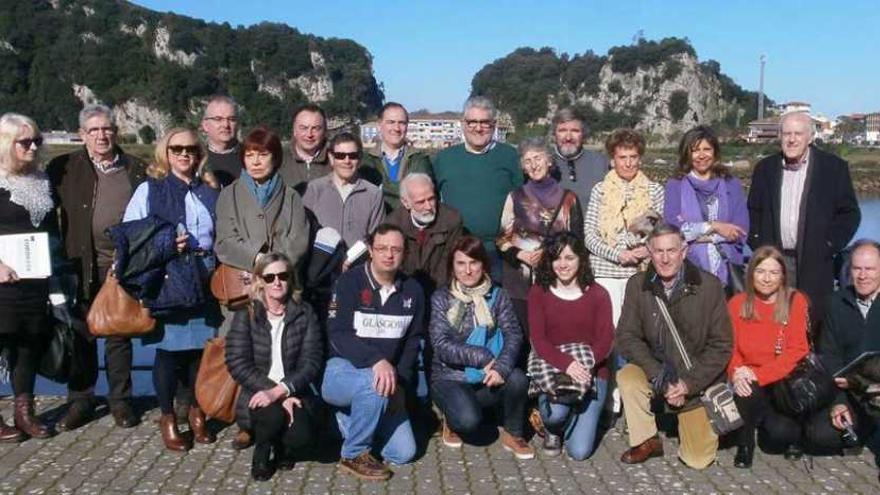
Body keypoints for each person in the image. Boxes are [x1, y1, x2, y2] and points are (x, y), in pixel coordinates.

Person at [47, 104, 147, 431]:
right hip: (79, 264)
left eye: (107, 129)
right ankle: (81, 401)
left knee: (119, 336)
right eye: (94, 130)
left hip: (120, 266)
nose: (102, 135)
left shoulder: (136, 168)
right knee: (81, 335)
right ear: (82, 135)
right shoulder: (63, 168)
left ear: (116, 133)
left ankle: (121, 402)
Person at [122, 127, 220, 451]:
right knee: (167, 352)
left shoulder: (209, 190)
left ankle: (196, 412)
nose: (184, 155)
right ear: (165, 152)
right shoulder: (149, 190)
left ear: (199, 154)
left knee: (198, 352)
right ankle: (167, 418)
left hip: (205, 275)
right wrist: (165, 244)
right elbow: (129, 236)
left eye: (190, 149)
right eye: (176, 149)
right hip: (169, 276)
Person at [214, 126, 310, 450]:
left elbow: (299, 240)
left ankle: (284, 410)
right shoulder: (229, 195)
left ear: (275, 158)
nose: (256, 161)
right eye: (250, 155)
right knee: (244, 354)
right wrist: (258, 258)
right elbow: (224, 242)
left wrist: (276, 265)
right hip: (244, 289)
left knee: (283, 351)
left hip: (282, 286)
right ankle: (245, 421)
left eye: (263, 154)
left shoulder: (293, 197)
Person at [615, 223, 733, 470]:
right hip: (658, 372)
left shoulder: (709, 286)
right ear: (649, 251)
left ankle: (688, 421)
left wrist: (687, 384)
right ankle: (646, 440)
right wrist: (661, 377)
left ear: (684, 251)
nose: (665, 258)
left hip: (696, 381)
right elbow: (627, 337)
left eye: (671, 250)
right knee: (627, 376)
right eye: (658, 251)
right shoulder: (638, 285)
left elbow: (721, 346)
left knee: (698, 460)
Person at [321, 224, 423, 481]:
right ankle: (354, 453)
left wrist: (400, 382)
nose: (389, 255)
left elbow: (412, 342)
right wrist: (376, 361)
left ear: (404, 253)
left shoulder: (413, 291)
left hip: (386, 378)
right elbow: (338, 333)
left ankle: (349, 420)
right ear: (370, 250)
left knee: (404, 452)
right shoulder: (349, 282)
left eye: (396, 249)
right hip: (342, 372)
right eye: (382, 248)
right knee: (373, 383)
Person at [748, 111, 860, 325]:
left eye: (798, 134)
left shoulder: (833, 168)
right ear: (779, 136)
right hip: (776, 260)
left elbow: (850, 213)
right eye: (787, 133)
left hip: (816, 260)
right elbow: (753, 210)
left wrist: (829, 244)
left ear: (810, 137)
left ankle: (811, 358)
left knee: (813, 319)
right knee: (775, 319)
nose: (792, 139)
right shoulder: (765, 168)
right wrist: (759, 245)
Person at [429, 235, 533, 459]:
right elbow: (441, 344)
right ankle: (451, 417)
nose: (467, 270)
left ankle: (513, 433)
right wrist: (483, 358)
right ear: (452, 266)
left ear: (483, 265)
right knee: (468, 421)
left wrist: (501, 368)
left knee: (517, 380)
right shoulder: (441, 298)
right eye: (461, 263)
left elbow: (513, 333)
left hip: (489, 373)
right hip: (451, 376)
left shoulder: (497, 295)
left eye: (473, 263)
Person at [226, 253, 323, 481]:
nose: (277, 282)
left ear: (291, 279)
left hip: (293, 390)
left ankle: (284, 449)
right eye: (269, 277)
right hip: (258, 390)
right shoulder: (246, 314)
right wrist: (274, 393)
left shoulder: (305, 313)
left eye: (282, 275)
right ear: (260, 280)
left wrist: (283, 390)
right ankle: (262, 452)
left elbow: (312, 361)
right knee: (272, 416)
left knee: (302, 435)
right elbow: (237, 362)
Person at [0, 113, 60, 440]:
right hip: (2, 280)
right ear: (8, 143)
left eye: (37, 140)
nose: (34, 146)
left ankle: (25, 414)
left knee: (28, 345)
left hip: (34, 277)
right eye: (26, 142)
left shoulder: (41, 179)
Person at [527, 232, 613, 460]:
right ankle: (552, 427)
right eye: (556, 258)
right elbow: (539, 340)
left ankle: (575, 412)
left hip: (592, 371)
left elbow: (605, 341)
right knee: (555, 415)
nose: (562, 264)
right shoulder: (539, 292)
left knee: (579, 451)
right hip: (554, 367)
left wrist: (583, 367)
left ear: (581, 259)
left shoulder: (599, 294)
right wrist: (567, 365)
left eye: (569, 258)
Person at [727, 246, 809, 468]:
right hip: (750, 379)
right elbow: (730, 348)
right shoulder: (737, 304)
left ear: (783, 275)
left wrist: (758, 374)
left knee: (778, 436)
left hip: (783, 381)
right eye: (761, 271)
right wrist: (736, 373)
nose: (766, 279)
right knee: (745, 388)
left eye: (774, 273)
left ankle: (772, 423)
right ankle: (744, 446)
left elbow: (797, 350)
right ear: (751, 273)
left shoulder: (795, 301)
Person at [805, 240, 880, 481]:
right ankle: (864, 428)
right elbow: (829, 355)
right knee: (818, 434)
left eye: (870, 269)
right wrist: (838, 402)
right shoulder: (836, 303)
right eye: (857, 269)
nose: (863, 275)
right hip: (850, 391)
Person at [496, 138, 582, 337]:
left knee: (553, 335)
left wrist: (549, 254)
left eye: (538, 158)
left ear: (549, 161)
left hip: (555, 279)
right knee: (521, 337)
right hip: (519, 281)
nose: (534, 165)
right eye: (527, 161)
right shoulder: (514, 197)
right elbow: (501, 239)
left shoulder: (569, 199)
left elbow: (576, 242)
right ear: (523, 168)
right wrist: (520, 255)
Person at [433, 96, 522, 281]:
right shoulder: (444, 158)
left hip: (498, 253)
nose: (478, 128)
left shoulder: (510, 156)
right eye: (472, 122)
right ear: (463, 124)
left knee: (496, 308)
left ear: (494, 124)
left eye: (484, 122)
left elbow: (524, 201)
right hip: (457, 252)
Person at [584, 128, 664, 327]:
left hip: (639, 270)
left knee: (637, 329)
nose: (628, 163)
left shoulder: (654, 191)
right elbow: (590, 236)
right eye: (622, 157)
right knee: (608, 329)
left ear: (640, 159)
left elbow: (650, 232)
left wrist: (643, 250)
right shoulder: (600, 190)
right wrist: (617, 254)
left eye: (633, 157)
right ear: (612, 160)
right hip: (604, 272)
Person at [664, 126, 748, 289]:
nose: (701, 155)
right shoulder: (675, 185)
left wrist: (696, 234)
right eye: (695, 150)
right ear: (686, 154)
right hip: (688, 270)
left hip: (728, 270)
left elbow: (740, 231)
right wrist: (715, 226)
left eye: (707, 149)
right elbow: (674, 231)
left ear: (715, 152)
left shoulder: (732, 184)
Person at [300, 131, 385, 254]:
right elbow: (304, 233)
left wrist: (351, 258)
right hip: (321, 267)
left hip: (358, 267)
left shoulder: (373, 194)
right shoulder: (314, 189)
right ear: (331, 157)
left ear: (360, 158)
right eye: (340, 155)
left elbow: (376, 237)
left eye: (353, 155)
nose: (347, 161)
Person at [386, 172, 463, 296]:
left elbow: (449, 261)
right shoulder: (393, 224)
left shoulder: (452, 220)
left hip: (440, 289)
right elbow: (393, 264)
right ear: (406, 203)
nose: (428, 206)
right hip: (404, 289)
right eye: (420, 202)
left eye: (431, 199)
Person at [360, 102, 434, 212]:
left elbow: (420, 195)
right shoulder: (366, 160)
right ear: (380, 124)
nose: (396, 128)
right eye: (391, 122)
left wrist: (381, 189)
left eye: (402, 123)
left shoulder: (419, 159)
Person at [549, 107, 609, 209]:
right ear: (554, 134)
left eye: (575, 131)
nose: (568, 137)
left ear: (584, 134)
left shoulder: (601, 163)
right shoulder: (541, 164)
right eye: (562, 131)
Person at [278, 104, 330, 191]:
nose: (309, 134)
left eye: (316, 128)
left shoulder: (339, 158)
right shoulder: (278, 158)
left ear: (324, 131)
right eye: (304, 128)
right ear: (294, 130)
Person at [201, 95, 242, 187]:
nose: (225, 125)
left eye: (231, 119)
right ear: (205, 125)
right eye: (218, 119)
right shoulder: (197, 160)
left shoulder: (252, 157)